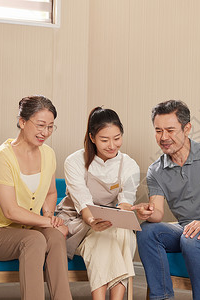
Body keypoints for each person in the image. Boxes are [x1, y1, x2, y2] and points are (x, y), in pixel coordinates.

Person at [132, 100, 200, 300]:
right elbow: (157, 213)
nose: (164, 137)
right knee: (147, 231)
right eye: (158, 131)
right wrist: (147, 213)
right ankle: (162, 297)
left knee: (192, 238)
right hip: (187, 229)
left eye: (170, 130)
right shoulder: (155, 170)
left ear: (187, 128)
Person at [0, 96, 72, 300]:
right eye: (41, 125)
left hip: (26, 228)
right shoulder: (1, 157)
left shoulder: (49, 154)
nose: (46, 132)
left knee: (54, 237)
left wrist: (50, 216)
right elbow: (11, 211)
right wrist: (51, 222)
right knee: (34, 239)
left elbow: (51, 192)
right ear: (22, 122)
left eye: (51, 127)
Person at [56, 107, 140, 300]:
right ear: (92, 137)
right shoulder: (74, 161)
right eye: (104, 140)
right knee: (109, 236)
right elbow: (83, 203)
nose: (112, 145)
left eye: (117, 138)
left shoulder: (129, 165)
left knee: (119, 231)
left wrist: (130, 212)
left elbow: (125, 203)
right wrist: (93, 221)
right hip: (77, 222)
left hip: (111, 223)